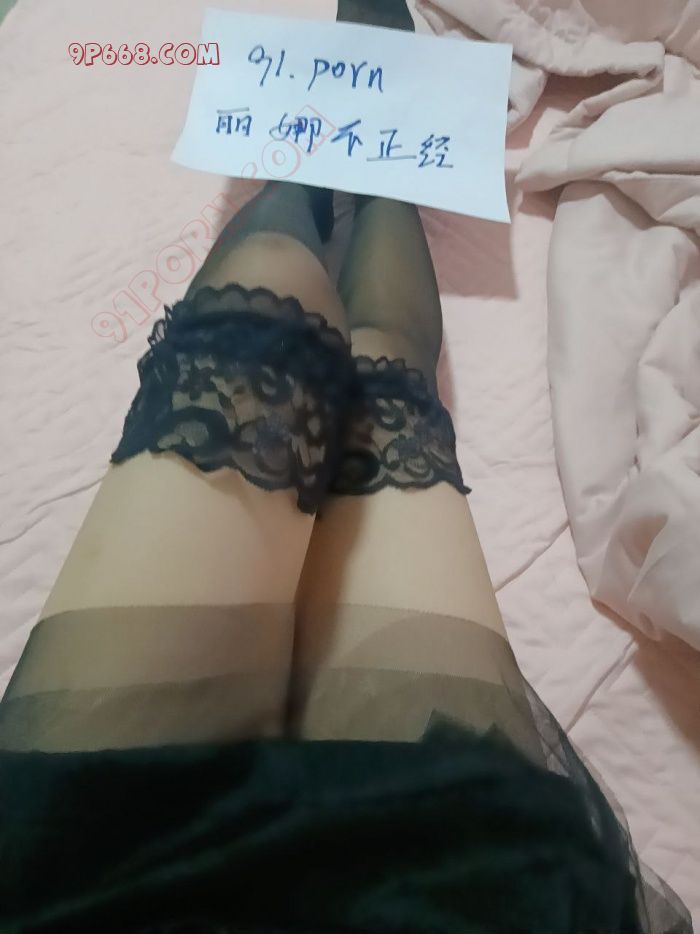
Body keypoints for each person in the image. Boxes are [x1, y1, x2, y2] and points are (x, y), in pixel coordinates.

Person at [0, 3, 693, 931]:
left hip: (86, 879)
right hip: (441, 893)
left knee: (266, 316)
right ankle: (368, 160)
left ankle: (317, 154)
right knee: (379, 381)